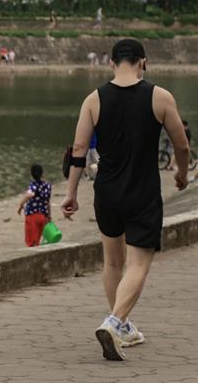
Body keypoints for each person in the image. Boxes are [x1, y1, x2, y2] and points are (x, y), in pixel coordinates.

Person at [61, 39, 190, 361]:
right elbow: (183, 146)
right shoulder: (160, 97)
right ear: (143, 62)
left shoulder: (93, 99)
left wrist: (71, 193)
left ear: (111, 63)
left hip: (106, 190)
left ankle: (124, 328)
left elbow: (78, 150)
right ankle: (115, 322)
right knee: (138, 263)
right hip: (142, 191)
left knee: (112, 262)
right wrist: (182, 175)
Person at [18, 164, 52, 247]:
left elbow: (29, 195)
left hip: (32, 216)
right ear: (42, 173)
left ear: (31, 174)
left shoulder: (33, 185)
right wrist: (49, 215)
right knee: (37, 241)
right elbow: (48, 202)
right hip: (42, 216)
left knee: (31, 244)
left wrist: (20, 204)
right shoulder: (47, 186)